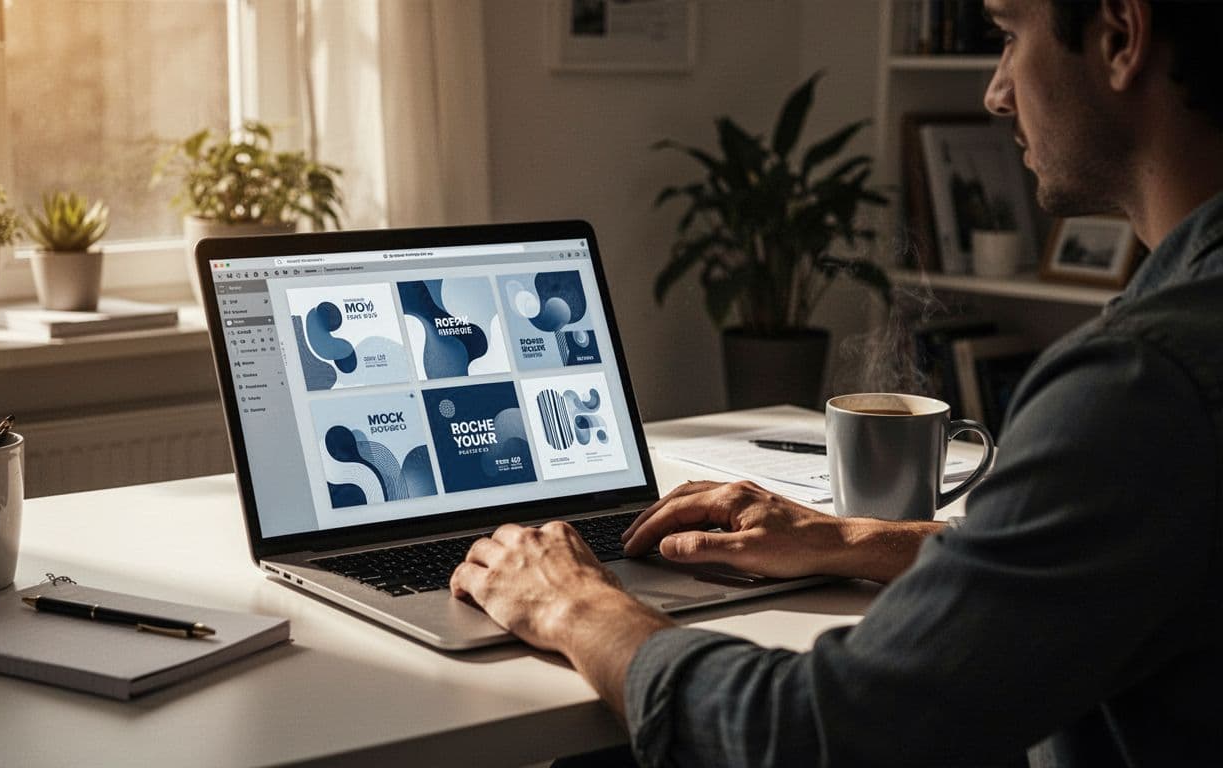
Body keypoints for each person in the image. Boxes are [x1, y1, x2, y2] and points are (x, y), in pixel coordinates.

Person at [449, 0, 1223, 765]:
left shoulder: (1145, 384)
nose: (995, 89)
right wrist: (848, 537)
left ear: (1121, 36)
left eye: (1009, 33)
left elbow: (816, 736)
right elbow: (1089, 568)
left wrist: (575, 605)